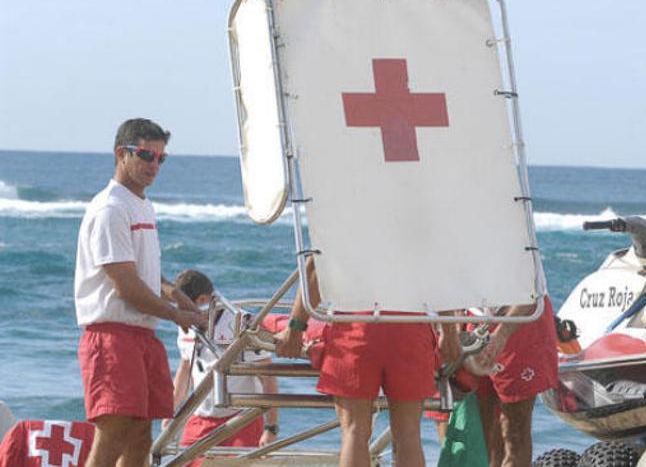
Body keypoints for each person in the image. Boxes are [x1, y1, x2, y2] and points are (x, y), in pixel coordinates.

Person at [74, 118, 205, 467]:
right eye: (146, 155)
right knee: (112, 435)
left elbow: (141, 270)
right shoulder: (110, 208)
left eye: (161, 159)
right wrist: (176, 315)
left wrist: (174, 293)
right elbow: (126, 284)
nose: (154, 166)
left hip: (141, 335)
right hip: (112, 335)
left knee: (139, 439)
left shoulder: (140, 204)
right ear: (122, 153)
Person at [274, 256, 462, 467]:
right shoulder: (418, 225)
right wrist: (449, 331)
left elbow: (315, 268)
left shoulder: (342, 223)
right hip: (409, 325)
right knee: (408, 434)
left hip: (354, 324)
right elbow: (439, 273)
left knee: (355, 431)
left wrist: (295, 328)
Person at [168, 270, 279, 466]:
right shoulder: (186, 324)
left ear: (203, 299)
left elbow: (268, 376)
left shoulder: (243, 324)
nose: (180, 314)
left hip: (241, 418)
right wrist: (172, 412)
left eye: (183, 307)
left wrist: (271, 427)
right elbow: (185, 371)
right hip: (201, 416)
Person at [469, 296, 558, 467]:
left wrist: (502, 333)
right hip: (474, 315)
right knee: (478, 433)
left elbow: (529, 289)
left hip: (519, 316)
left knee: (514, 430)